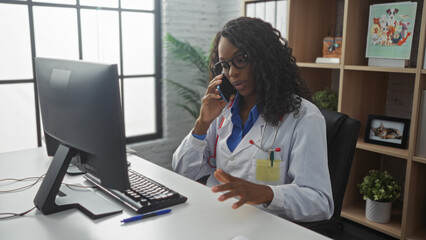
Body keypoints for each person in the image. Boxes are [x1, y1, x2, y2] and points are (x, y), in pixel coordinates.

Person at [172, 17, 333, 222]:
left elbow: (320, 202)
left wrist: (267, 194)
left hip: (264, 226)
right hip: (215, 216)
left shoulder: (303, 117)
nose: (232, 72)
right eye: (225, 65)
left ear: (264, 57)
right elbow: (183, 171)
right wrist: (202, 124)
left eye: (241, 59)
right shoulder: (223, 109)